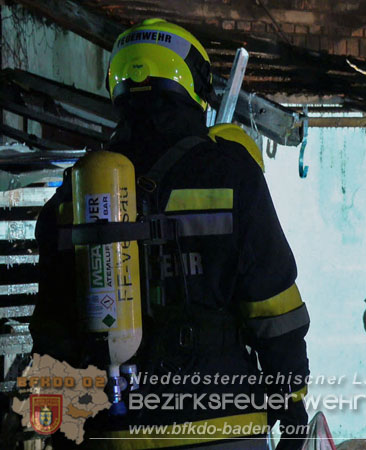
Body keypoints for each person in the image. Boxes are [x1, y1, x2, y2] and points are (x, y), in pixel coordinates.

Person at [30, 19, 309, 449]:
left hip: (116, 428)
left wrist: (60, 430)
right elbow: (274, 306)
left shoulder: (80, 191)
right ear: (192, 83)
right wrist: (290, 404)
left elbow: (53, 325)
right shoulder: (234, 173)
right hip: (224, 423)